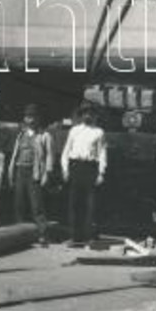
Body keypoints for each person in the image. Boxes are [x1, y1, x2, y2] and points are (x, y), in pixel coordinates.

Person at [7, 104, 55, 244]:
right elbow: (15, 154)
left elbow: (50, 157)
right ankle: (18, 233)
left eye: (33, 117)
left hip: (35, 173)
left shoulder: (45, 136)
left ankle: (43, 234)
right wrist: (11, 172)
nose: (31, 120)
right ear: (25, 119)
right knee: (19, 203)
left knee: (37, 205)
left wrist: (47, 173)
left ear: (38, 119)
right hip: (20, 170)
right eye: (28, 117)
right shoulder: (20, 135)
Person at [61, 102, 107, 243]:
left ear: (94, 115)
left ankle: (90, 236)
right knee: (74, 203)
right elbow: (66, 151)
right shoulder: (74, 130)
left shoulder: (99, 132)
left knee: (90, 204)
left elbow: (102, 153)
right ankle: (74, 236)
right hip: (75, 167)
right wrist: (65, 169)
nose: (87, 115)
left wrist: (101, 173)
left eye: (90, 113)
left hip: (91, 168)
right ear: (81, 115)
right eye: (85, 113)